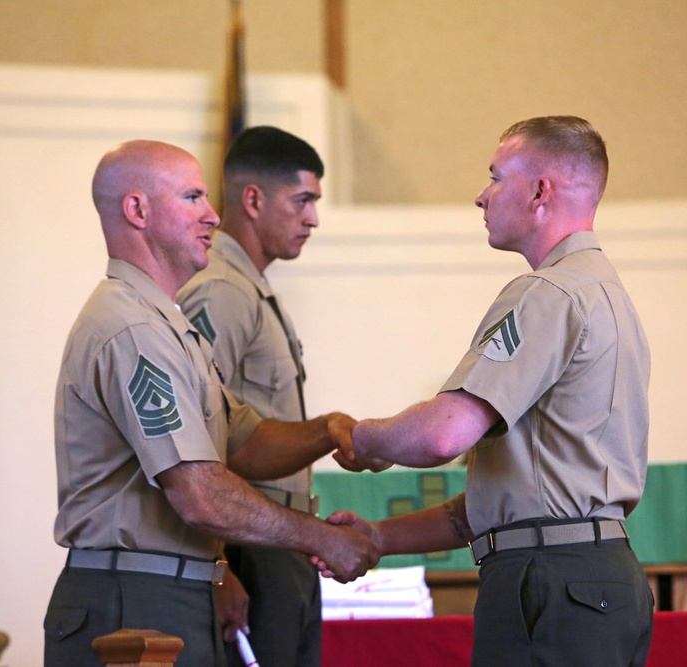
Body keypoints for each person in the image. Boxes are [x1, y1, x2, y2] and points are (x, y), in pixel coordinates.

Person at [324, 116, 655, 666]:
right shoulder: (609, 296)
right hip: (594, 579)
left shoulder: (548, 293)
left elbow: (443, 434)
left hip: (551, 582)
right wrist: (379, 538)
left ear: (540, 192)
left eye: (497, 177)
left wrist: (361, 439)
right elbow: (510, 498)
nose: (482, 195)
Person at [43, 139, 379, 667]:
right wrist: (319, 537)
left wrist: (329, 430)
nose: (213, 215)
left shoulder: (167, 325)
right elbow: (199, 493)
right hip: (134, 596)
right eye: (192, 197)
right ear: (137, 210)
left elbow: (243, 444)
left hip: (173, 588)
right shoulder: (133, 329)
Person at [176, 126, 327, 667]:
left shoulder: (253, 290)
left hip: (282, 542)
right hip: (249, 547)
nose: (313, 218)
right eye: (302, 200)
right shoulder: (221, 291)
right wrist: (218, 569)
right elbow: (191, 436)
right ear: (254, 199)